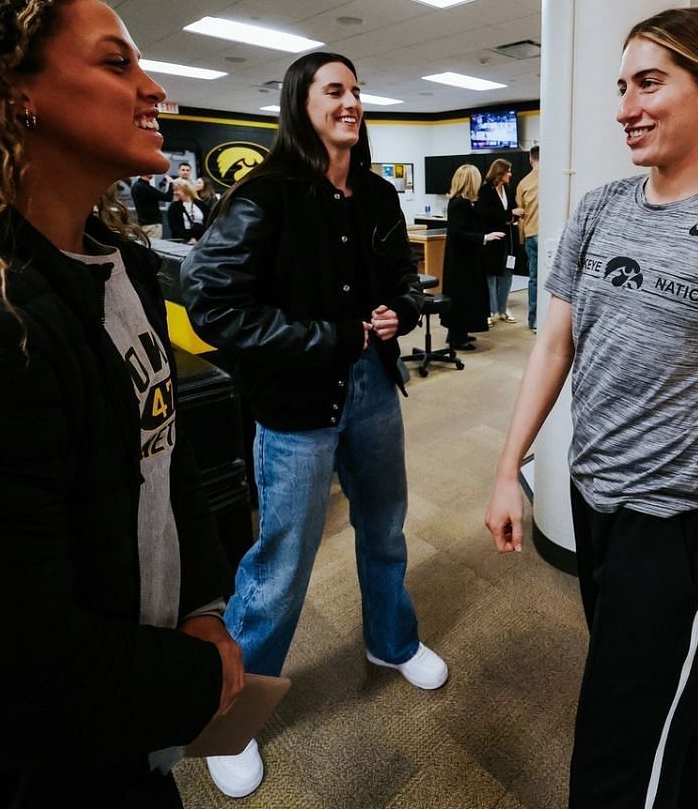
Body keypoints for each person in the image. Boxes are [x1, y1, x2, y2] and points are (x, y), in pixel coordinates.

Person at [0, 0, 242, 806]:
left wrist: (207, 606)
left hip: (122, 739)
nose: (155, 90)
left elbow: (162, 451)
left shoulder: (119, 269)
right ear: (10, 93)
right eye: (117, 64)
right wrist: (193, 677)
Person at [484, 8, 698, 808]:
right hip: (592, 490)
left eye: (649, 83)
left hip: (679, 521)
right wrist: (510, 471)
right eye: (621, 86)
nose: (624, 107)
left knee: (614, 745)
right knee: (657, 716)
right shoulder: (600, 210)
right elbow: (554, 347)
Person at [182, 51, 446, 800]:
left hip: (371, 391)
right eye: (335, 90)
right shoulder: (264, 194)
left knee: (385, 529)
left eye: (358, 90)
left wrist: (399, 310)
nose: (352, 101)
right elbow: (215, 304)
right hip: (297, 406)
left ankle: (391, 642)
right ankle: (228, 713)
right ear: (301, 103)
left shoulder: (373, 194)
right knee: (281, 563)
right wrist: (327, 338)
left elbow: (398, 279)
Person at [442, 163, 492, 349]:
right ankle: (457, 338)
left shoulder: (462, 202)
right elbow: (458, 234)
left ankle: (458, 333)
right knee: (462, 298)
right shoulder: (460, 204)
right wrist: (484, 238)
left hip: (463, 260)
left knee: (464, 297)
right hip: (461, 263)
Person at [480, 158, 518, 323]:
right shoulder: (485, 191)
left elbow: (511, 210)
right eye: (508, 171)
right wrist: (509, 215)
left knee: (507, 275)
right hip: (491, 240)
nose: (510, 174)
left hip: (507, 240)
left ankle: (502, 309)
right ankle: (491, 311)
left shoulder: (508, 190)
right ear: (499, 172)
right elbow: (485, 214)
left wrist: (511, 216)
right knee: (490, 277)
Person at [515, 144, 542, 333]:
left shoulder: (523, 183)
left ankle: (533, 320)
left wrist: (522, 240)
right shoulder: (553, 178)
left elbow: (521, 214)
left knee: (533, 279)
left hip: (531, 233)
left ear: (530, 159)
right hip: (547, 234)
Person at [167, 177, 206, 244]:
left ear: (186, 190)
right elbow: (174, 227)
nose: (174, 193)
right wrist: (190, 239)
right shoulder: (174, 207)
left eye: (177, 190)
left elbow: (209, 221)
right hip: (184, 241)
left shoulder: (200, 204)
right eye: (174, 190)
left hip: (203, 239)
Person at [132, 170, 165, 238]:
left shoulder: (135, 186)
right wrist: (170, 183)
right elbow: (167, 197)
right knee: (154, 247)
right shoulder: (146, 187)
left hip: (143, 223)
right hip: (153, 224)